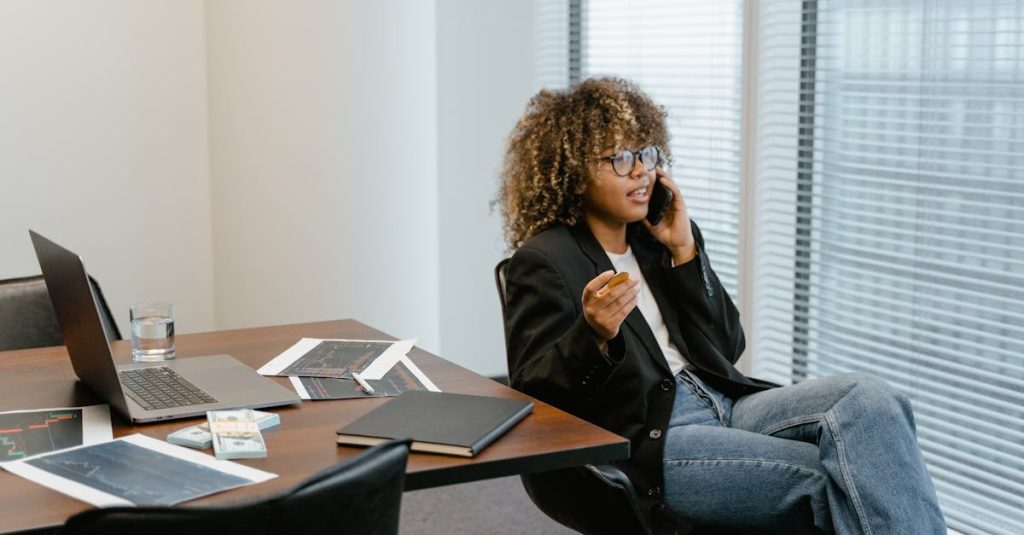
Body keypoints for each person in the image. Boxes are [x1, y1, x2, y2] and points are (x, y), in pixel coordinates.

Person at [498, 77, 945, 534]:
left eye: (646, 153)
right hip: (655, 437)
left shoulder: (658, 241)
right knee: (832, 477)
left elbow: (728, 345)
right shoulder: (546, 259)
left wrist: (685, 253)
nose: (641, 172)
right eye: (620, 158)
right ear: (575, 172)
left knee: (873, 400)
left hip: (725, 402)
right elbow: (533, 391)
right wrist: (593, 334)